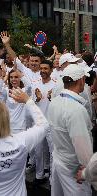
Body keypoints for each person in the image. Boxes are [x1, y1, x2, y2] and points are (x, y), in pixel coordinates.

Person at [48, 64, 93, 196]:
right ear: (81, 81)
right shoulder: (76, 110)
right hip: (74, 169)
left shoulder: (54, 102)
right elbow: (83, 147)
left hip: (59, 161)